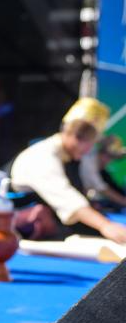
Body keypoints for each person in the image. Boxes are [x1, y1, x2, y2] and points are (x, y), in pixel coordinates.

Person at [10, 98, 126, 244]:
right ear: (73, 134)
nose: (89, 149)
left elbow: (93, 186)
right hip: (25, 231)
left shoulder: (74, 156)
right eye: (87, 141)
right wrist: (106, 226)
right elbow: (68, 200)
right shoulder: (42, 156)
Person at [87, 134, 126, 209]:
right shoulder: (89, 163)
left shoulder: (101, 167)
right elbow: (102, 188)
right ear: (101, 152)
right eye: (108, 156)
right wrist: (123, 201)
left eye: (112, 157)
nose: (109, 161)